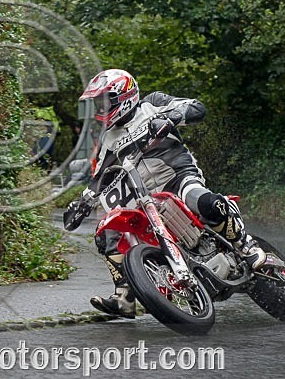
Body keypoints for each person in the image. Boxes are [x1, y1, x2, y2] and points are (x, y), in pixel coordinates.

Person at [63, 69, 266, 319]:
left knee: (203, 201)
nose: (100, 107)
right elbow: (100, 176)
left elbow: (196, 107)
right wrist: (82, 203)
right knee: (107, 233)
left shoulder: (153, 103)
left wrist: (172, 116)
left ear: (124, 95)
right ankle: (125, 296)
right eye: (97, 102)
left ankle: (245, 245)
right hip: (145, 196)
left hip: (178, 178)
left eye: (104, 100)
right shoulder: (109, 138)